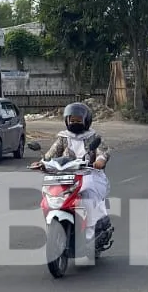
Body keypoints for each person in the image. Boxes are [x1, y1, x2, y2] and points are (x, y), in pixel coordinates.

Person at [30, 102, 112, 239]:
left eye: (78, 120)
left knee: (89, 197)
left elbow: (103, 152)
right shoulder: (64, 137)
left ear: (86, 121)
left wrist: (100, 161)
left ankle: (91, 229)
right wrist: (41, 162)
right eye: (72, 120)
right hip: (65, 173)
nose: (75, 123)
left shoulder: (93, 137)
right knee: (51, 192)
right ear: (67, 120)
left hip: (88, 173)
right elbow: (51, 154)